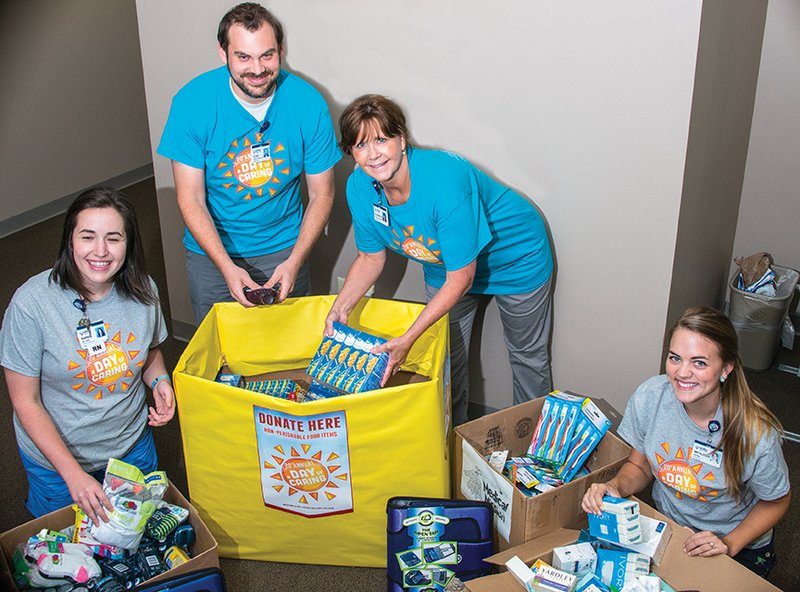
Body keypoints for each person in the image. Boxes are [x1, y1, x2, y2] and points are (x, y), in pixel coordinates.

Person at [327, 94, 554, 425]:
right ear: (351, 152)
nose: (373, 154)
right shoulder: (360, 188)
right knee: (448, 360)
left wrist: (408, 339)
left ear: (401, 139)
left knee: (527, 358)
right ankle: (454, 440)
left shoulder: (445, 182)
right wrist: (341, 307)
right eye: (361, 145)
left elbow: (461, 278)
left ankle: (533, 448)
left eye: (381, 139)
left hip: (514, 257)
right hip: (445, 266)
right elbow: (369, 257)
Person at [0, 187, 175, 524]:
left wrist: (160, 379)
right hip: (56, 459)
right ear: (70, 241)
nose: (100, 251)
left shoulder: (144, 290)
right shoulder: (31, 304)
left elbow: (149, 351)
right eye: (88, 236)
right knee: (69, 550)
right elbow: (25, 403)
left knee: (135, 534)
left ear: (128, 244)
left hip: (130, 444)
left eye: (113, 238)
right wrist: (73, 474)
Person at [158, 2, 341, 324]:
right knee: (223, 355)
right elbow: (190, 197)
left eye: (267, 55)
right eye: (243, 57)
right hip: (212, 254)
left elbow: (322, 194)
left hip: (286, 249)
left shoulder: (308, 103)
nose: (257, 69)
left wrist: (295, 260)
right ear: (222, 53)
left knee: (288, 346)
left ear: (281, 51)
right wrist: (226, 266)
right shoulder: (191, 103)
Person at [582, 306, 790, 578]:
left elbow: (777, 500)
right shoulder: (650, 397)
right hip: (670, 528)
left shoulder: (756, 433)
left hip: (735, 543)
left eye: (699, 362)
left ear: (726, 368)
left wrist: (729, 543)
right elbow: (640, 466)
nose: (682, 373)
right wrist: (615, 486)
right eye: (675, 358)